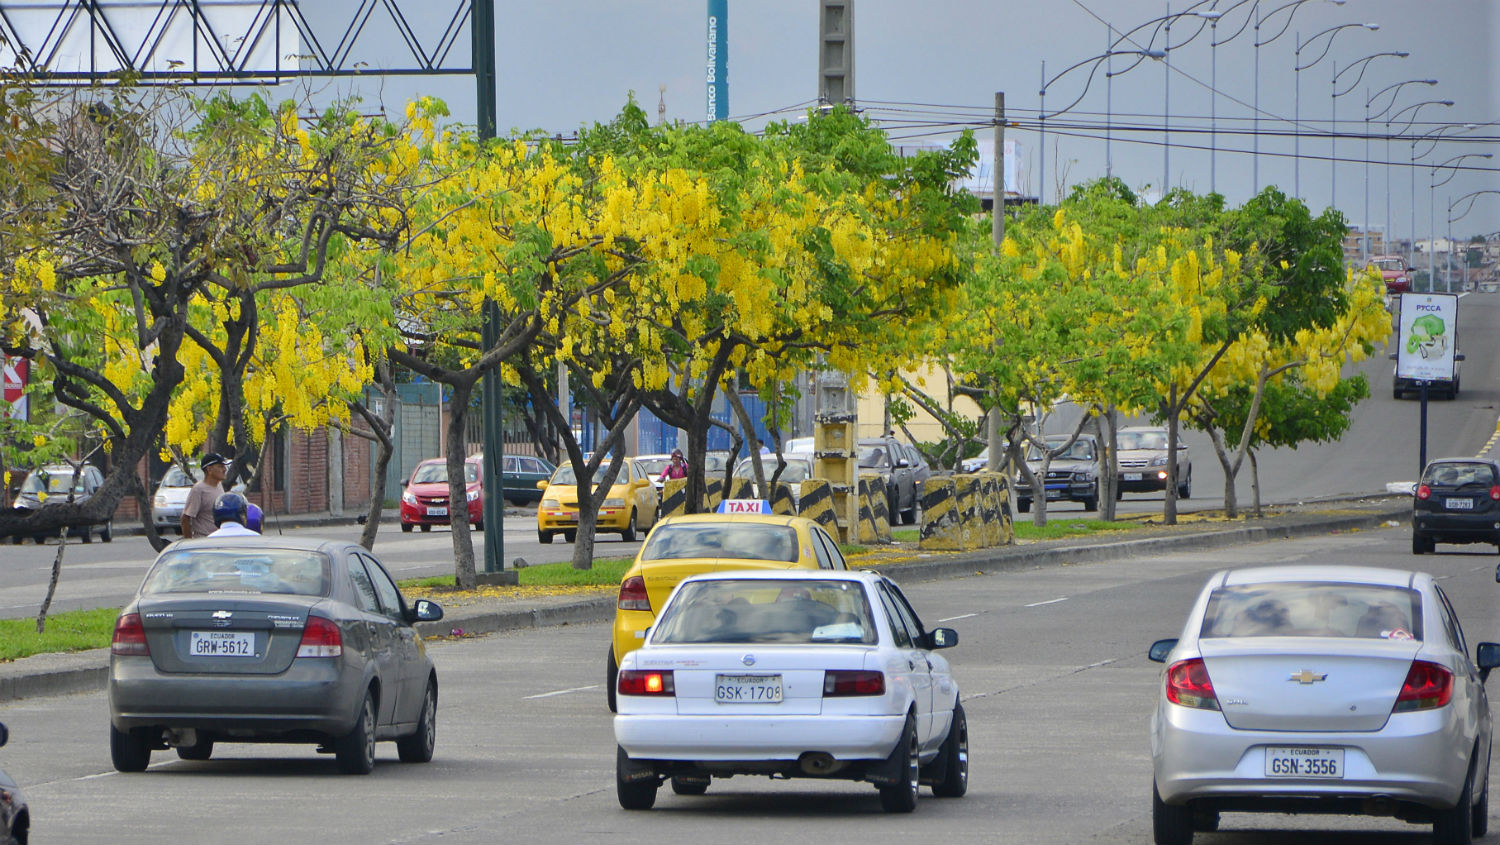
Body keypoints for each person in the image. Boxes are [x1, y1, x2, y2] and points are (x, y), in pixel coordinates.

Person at [180, 453, 227, 539]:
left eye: (224, 466)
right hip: (204, 541)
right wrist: (189, 542)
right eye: (220, 466)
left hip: (219, 540)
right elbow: (185, 519)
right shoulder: (198, 489)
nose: (224, 469)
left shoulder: (219, 485)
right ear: (209, 470)